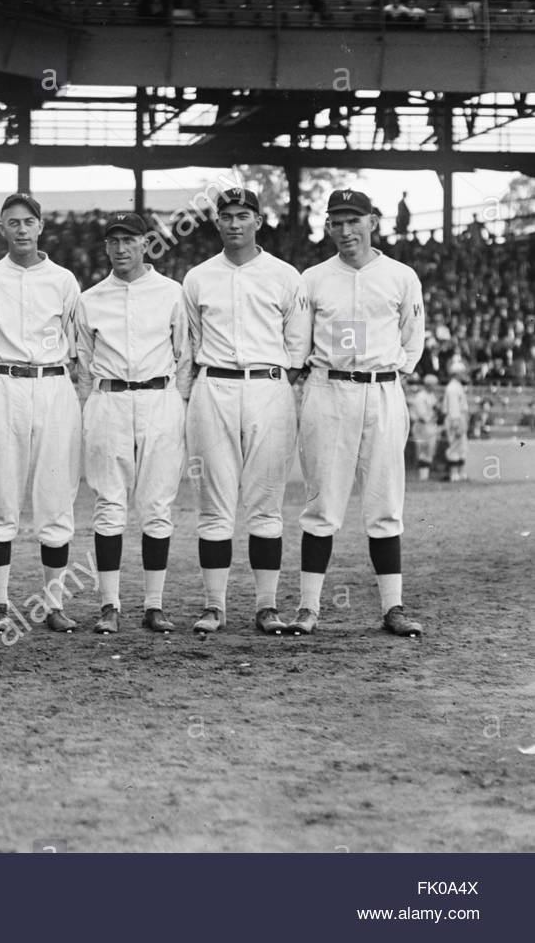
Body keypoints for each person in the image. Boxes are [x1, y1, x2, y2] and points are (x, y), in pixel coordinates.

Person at [288, 189, 426, 638]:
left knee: (385, 503)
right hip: (328, 390)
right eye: (336, 222)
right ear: (327, 227)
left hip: (383, 390)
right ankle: (309, 608)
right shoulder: (312, 278)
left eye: (354, 220)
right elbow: (300, 342)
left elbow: (412, 338)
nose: (345, 231)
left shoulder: (401, 275)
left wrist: (391, 372)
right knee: (322, 505)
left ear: (373, 221)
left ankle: (393, 607)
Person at [181, 187, 310, 636]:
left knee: (266, 504)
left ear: (258, 221)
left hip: (268, 387)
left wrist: (274, 387)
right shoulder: (197, 277)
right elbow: (191, 339)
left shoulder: (285, 275)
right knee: (214, 505)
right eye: (226, 216)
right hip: (213, 384)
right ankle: (214, 605)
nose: (234, 223)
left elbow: (297, 347)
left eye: (243, 215)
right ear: (216, 222)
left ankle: (266, 605)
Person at [75, 212, 193, 634]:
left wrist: (174, 404)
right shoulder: (90, 298)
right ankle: (109, 604)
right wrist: (92, 406)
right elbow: (84, 362)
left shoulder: (172, 292)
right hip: (109, 399)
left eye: (130, 240)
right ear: (106, 247)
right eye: (114, 241)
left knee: (157, 506)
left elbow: (185, 356)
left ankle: (154, 605)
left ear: (146, 243)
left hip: (159, 397)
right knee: (109, 505)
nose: (121, 248)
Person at [0, 193, 83, 635]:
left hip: (54, 384)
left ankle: (53, 602)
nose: (21, 229)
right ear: (2, 228)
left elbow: (78, 343)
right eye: (12, 222)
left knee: (55, 497)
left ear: (40, 227)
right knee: (0, 496)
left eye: (28, 222)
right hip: (3, 383)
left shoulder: (63, 279)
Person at [409, 374, 441, 481]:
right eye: (433, 385)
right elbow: (422, 415)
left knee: (430, 451)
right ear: (428, 385)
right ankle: (422, 476)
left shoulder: (431, 395)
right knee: (422, 451)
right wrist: (433, 414)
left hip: (431, 426)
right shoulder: (420, 396)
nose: (435, 387)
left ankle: (425, 476)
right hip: (421, 426)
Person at [443, 358, 470, 482]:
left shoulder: (458, 386)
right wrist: (456, 423)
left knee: (462, 446)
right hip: (455, 419)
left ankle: (461, 473)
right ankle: (454, 474)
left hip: (461, 418)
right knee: (455, 445)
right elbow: (454, 408)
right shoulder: (452, 388)